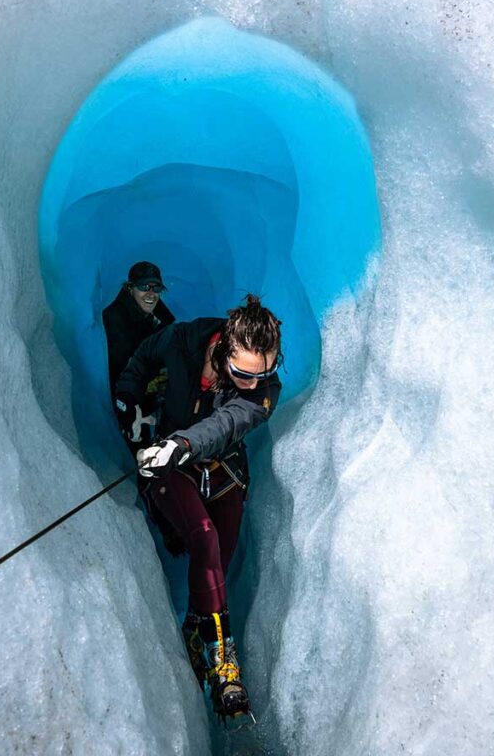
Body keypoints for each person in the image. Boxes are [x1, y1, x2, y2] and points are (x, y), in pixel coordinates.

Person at [114, 295, 282, 724]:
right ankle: (225, 666)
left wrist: (181, 445)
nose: (254, 383)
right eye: (244, 373)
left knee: (218, 562)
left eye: (265, 371)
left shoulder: (263, 391)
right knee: (204, 538)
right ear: (225, 345)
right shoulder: (183, 338)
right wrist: (129, 404)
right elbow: (142, 356)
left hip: (215, 461)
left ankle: (195, 626)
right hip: (169, 466)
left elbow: (225, 425)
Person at [103, 261, 175, 450]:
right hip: (127, 394)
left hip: (145, 384)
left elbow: (169, 329)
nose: (151, 293)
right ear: (130, 288)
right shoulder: (116, 318)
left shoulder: (147, 306)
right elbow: (122, 368)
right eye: (144, 287)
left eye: (156, 287)